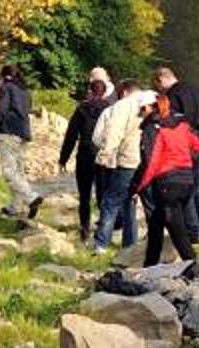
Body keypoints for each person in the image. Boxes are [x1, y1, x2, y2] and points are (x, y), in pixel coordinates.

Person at [135, 87, 199, 266]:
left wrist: (137, 186)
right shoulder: (182, 125)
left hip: (168, 183)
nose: (140, 114)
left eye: (141, 110)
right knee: (156, 222)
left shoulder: (155, 129)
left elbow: (152, 162)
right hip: (187, 180)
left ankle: (193, 265)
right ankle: (150, 264)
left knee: (177, 230)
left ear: (149, 108)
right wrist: (186, 159)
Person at [89, 76, 153, 250]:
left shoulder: (122, 106)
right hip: (153, 161)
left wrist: (104, 156)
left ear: (124, 92)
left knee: (111, 202)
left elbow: (112, 134)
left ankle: (102, 245)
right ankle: (152, 244)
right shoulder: (155, 101)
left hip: (129, 161)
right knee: (150, 205)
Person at [155, 64, 199, 246]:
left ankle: (194, 231)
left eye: (158, 85)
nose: (159, 89)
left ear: (162, 79)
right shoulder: (196, 90)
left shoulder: (172, 95)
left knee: (187, 188)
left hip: (185, 143)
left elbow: (172, 121)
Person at [60, 69, 111, 241]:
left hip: (85, 153)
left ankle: (84, 230)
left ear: (90, 91)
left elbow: (71, 135)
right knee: (103, 193)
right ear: (105, 92)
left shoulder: (81, 109)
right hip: (103, 154)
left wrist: (63, 158)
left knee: (84, 195)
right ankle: (103, 231)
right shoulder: (111, 110)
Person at [0, 63, 34, 219]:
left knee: (9, 171)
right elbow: (27, 111)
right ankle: (15, 207)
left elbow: (1, 110)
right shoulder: (25, 90)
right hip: (23, 133)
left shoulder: (6, 88)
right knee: (19, 171)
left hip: (8, 132)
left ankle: (31, 197)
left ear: (5, 76)